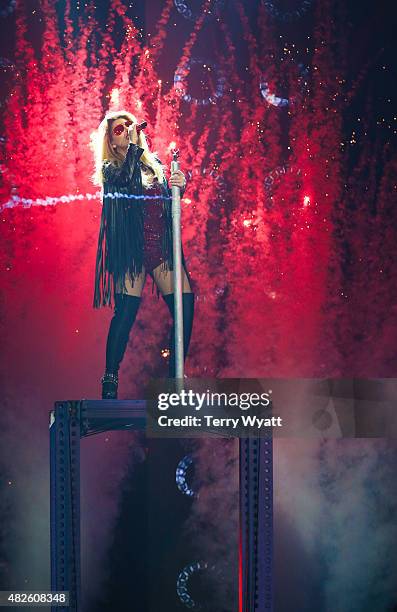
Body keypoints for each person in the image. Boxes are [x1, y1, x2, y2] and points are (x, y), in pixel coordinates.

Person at [90, 110, 195, 399]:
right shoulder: (112, 169)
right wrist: (135, 147)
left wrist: (178, 187)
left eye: (128, 126)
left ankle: (175, 376)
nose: (125, 130)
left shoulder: (155, 165)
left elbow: (166, 200)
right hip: (132, 250)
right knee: (125, 312)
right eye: (119, 129)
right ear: (111, 141)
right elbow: (127, 179)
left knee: (185, 303)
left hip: (159, 247)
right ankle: (110, 377)